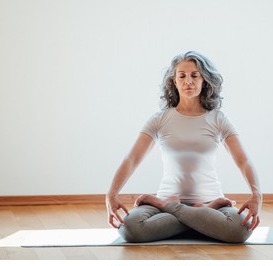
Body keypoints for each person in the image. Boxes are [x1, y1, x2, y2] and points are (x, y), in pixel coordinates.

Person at [105, 51, 262, 243]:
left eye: (194, 75)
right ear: (174, 81)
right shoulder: (160, 119)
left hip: (206, 200)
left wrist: (256, 195)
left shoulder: (218, 119)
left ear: (204, 80)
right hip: (169, 199)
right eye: (182, 76)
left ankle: (176, 208)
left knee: (240, 229)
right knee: (130, 228)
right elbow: (131, 159)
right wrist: (111, 194)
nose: (188, 81)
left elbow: (243, 160)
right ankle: (201, 216)